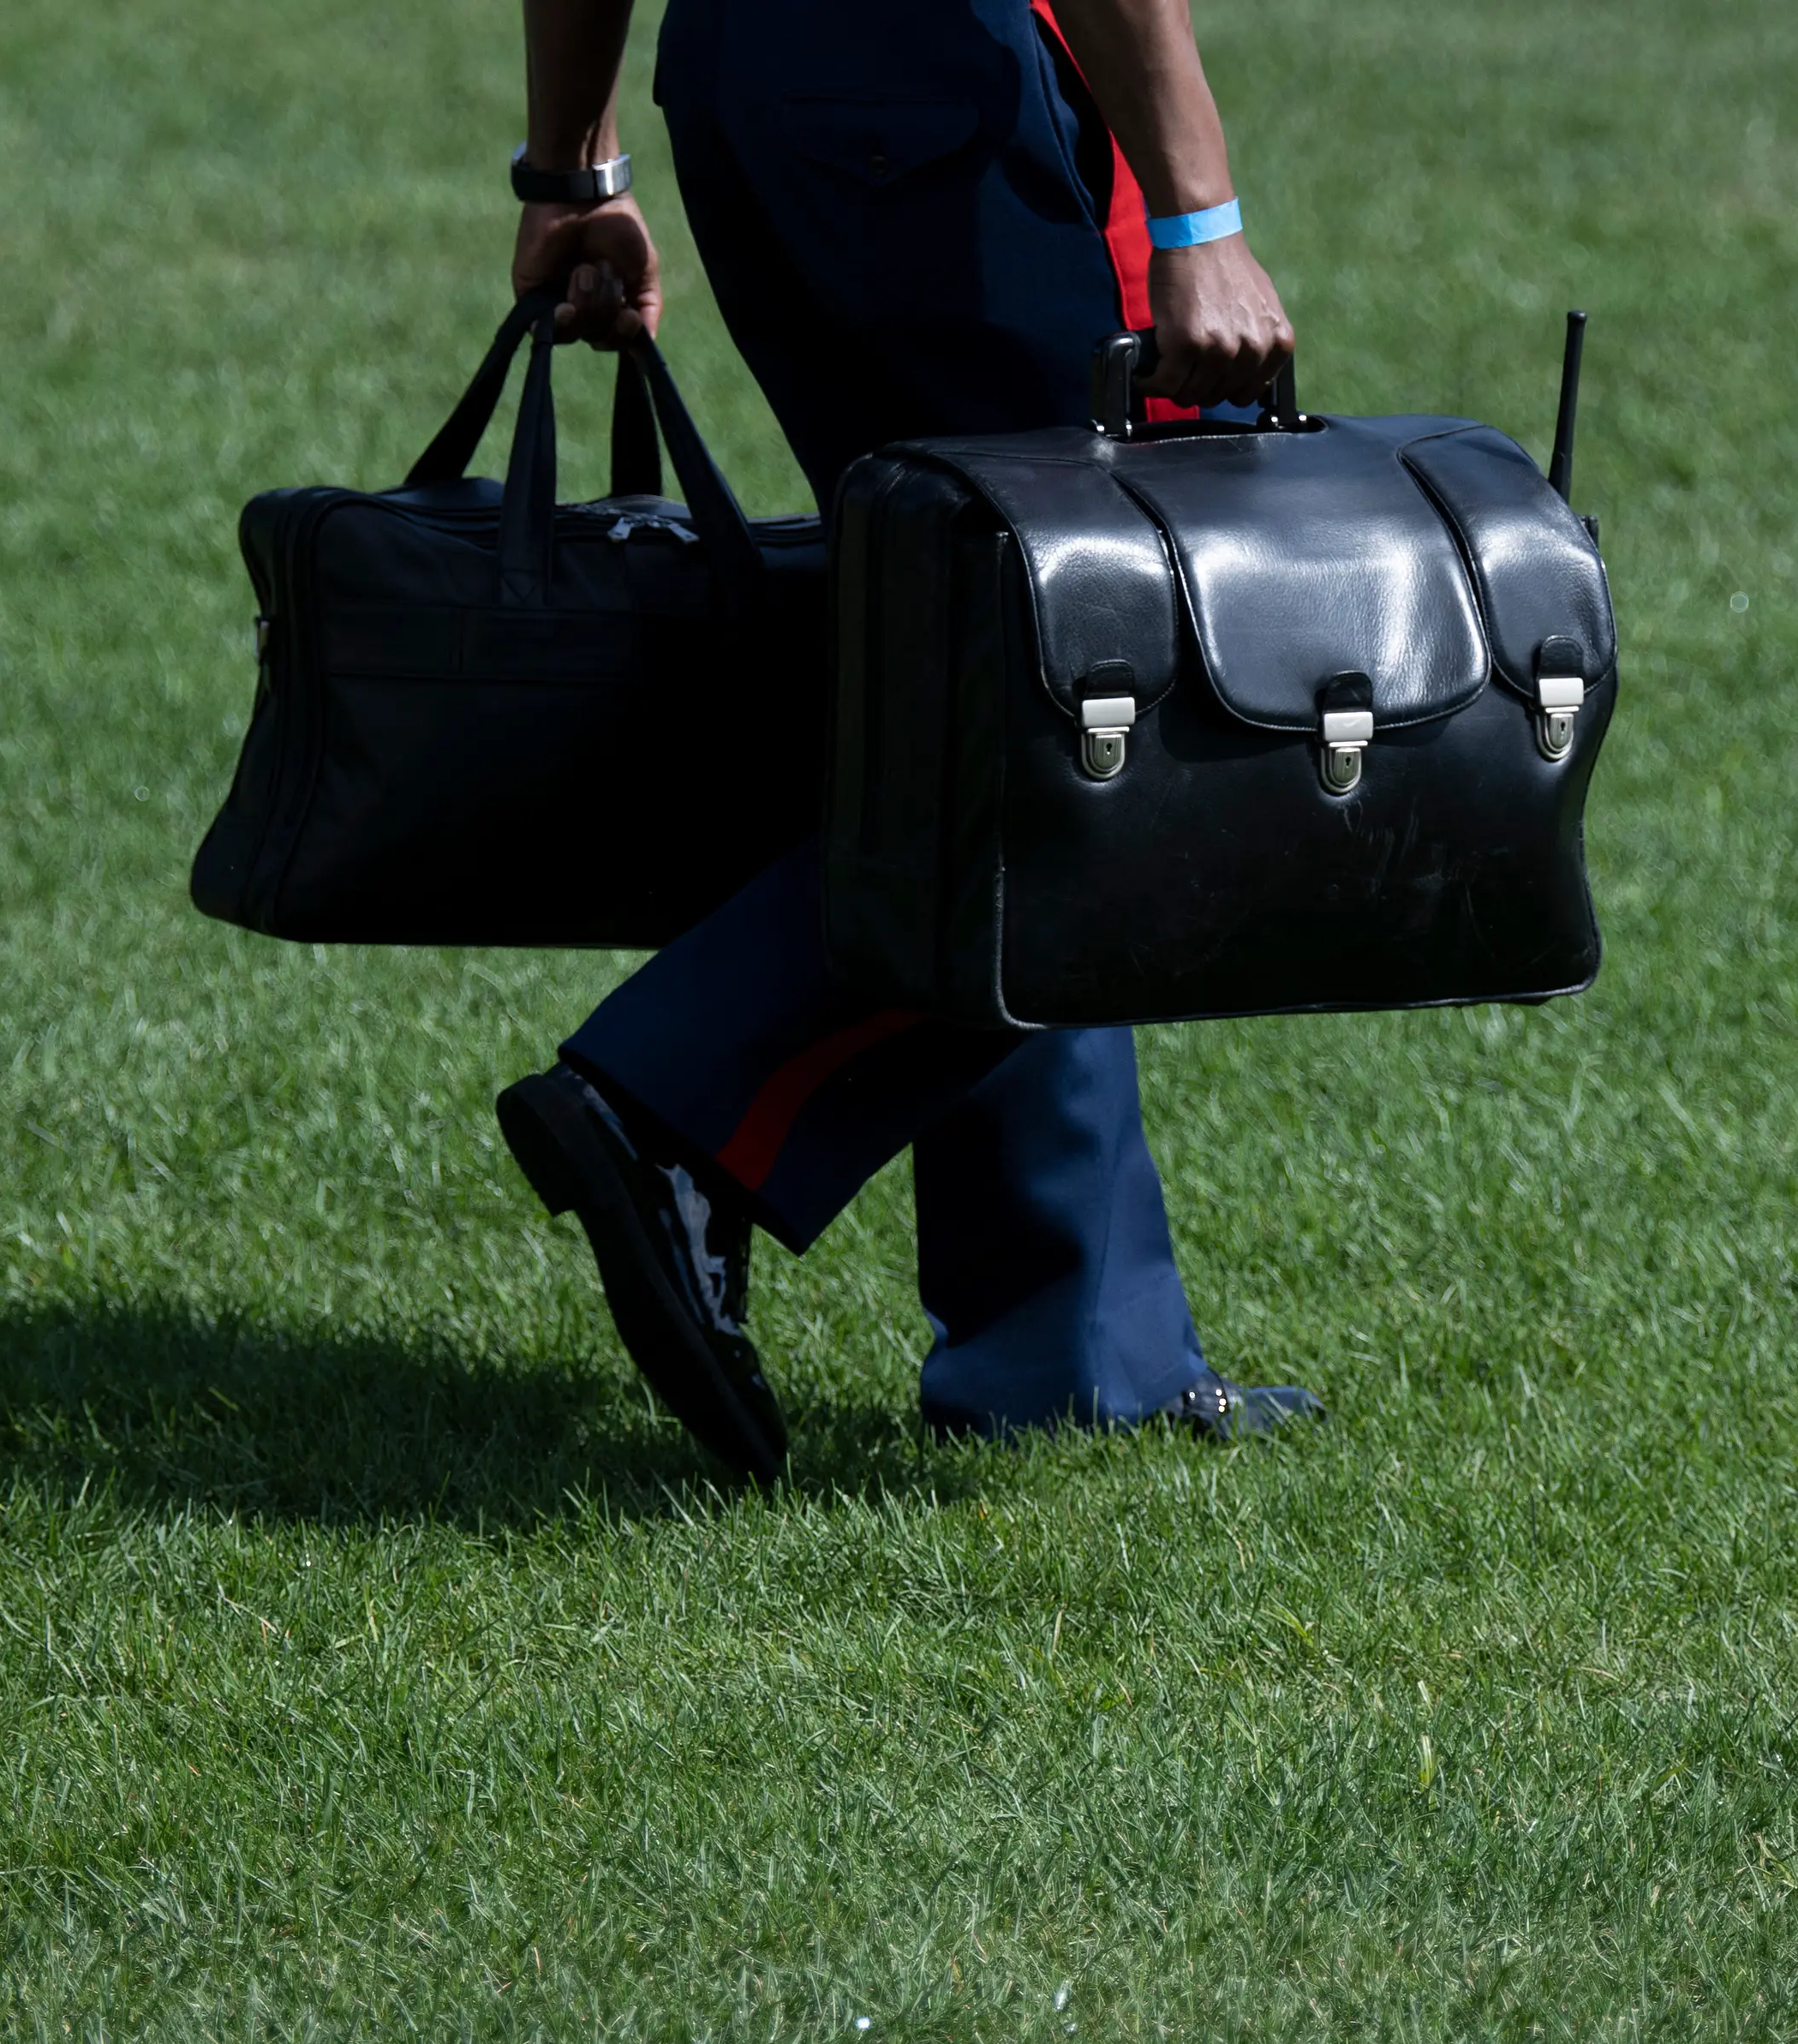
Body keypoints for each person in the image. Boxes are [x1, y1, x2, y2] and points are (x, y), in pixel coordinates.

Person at [491, 0, 1320, 1477]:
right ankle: (674, 1102)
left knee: (990, 669)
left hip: (750, 87)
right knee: (1073, 692)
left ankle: (1067, 1351)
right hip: (929, 94)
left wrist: (573, 171)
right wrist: (1205, 211)